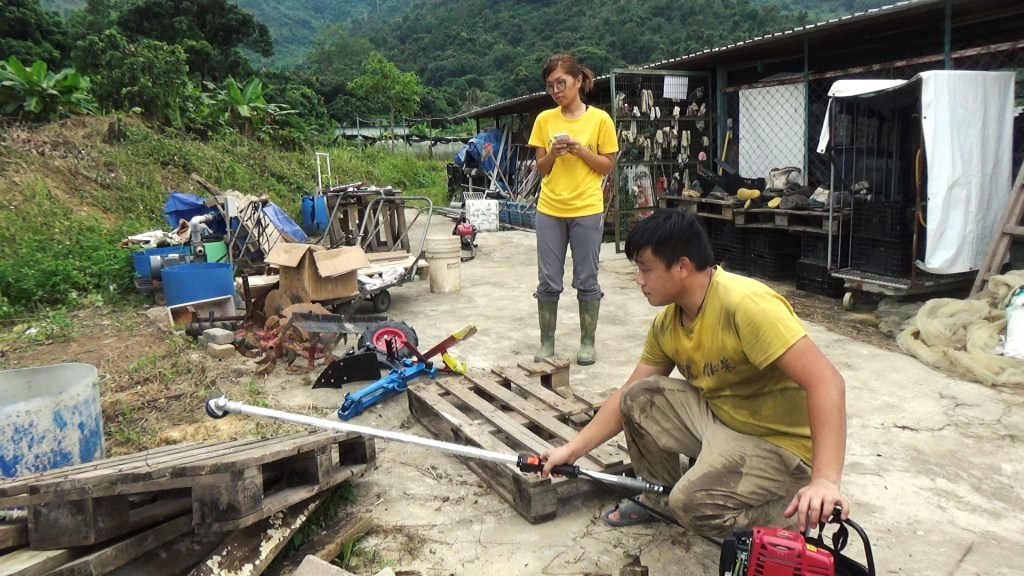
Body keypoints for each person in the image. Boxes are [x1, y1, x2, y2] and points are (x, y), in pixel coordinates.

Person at [541, 209, 849, 537]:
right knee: (639, 397)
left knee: (690, 504)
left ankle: (792, 511)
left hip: (779, 446)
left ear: (683, 266)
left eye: (646, 269)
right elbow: (627, 394)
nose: (639, 280)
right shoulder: (669, 322)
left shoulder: (746, 306)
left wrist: (825, 480)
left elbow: (827, 382)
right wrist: (571, 450)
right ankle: (657, 498)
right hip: (723, 422)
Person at [527, 54, 619, 366]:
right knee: (548, 280)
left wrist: (581, 151)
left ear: (578, 81)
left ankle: (587, 343)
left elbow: (608, 165)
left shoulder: (600, 120)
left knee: (587, 278)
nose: (556, 90)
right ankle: (547, 342)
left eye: (561, 83)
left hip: (587, 208)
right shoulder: (544, 120)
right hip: (550, 209)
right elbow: (541, 168)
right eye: (550, 86)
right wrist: (553, 153)